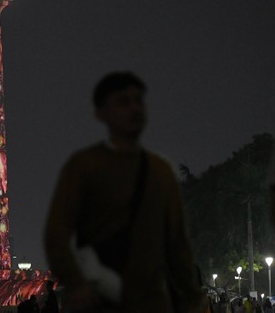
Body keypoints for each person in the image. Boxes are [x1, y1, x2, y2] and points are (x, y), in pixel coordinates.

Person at [44, 72, 206, 312]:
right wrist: (77, 283)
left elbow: (177, 244)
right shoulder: (83, 167)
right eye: (123, 101)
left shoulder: (160, 171)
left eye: (138, 100)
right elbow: (56, 234)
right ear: (101, 113)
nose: (134, 108)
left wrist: (191, 296)